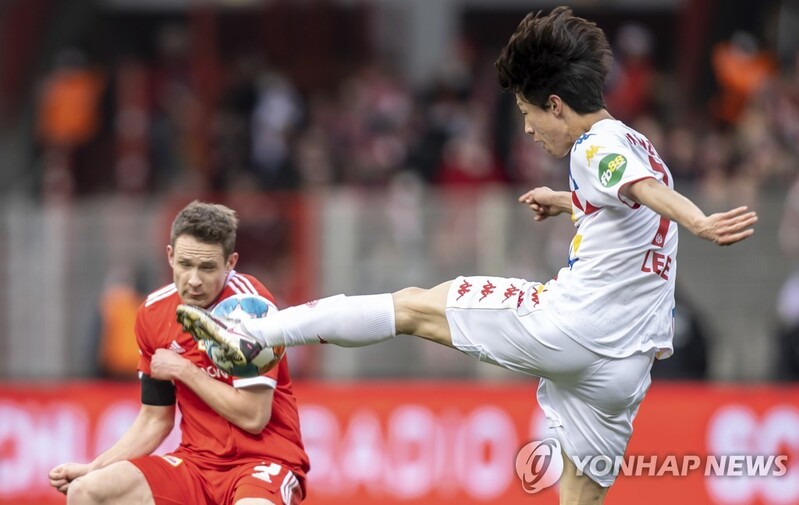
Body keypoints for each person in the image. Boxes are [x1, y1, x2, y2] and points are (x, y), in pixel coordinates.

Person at [177, 8, 757, 505]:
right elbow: (631, 206)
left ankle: (262, 333)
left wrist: (699, 219)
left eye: (529, 116)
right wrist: (569, 202)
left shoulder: (594, 145)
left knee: (410, 306)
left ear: (555, 105)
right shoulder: (637, 143)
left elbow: (645, 193)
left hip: (571, 327)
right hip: (626, 368)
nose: (528, 131)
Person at [49, 201, 310, 505]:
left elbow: (253, 416)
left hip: (264, 462)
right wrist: (92, 468)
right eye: (185, 264)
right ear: (170, 256)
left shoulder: (251, 308)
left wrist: (184, 370)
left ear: (230, 263)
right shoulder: (152, 313)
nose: (194, 280)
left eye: (208, 267)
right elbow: (155, 419)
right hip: (196, 465)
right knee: (87, 492)